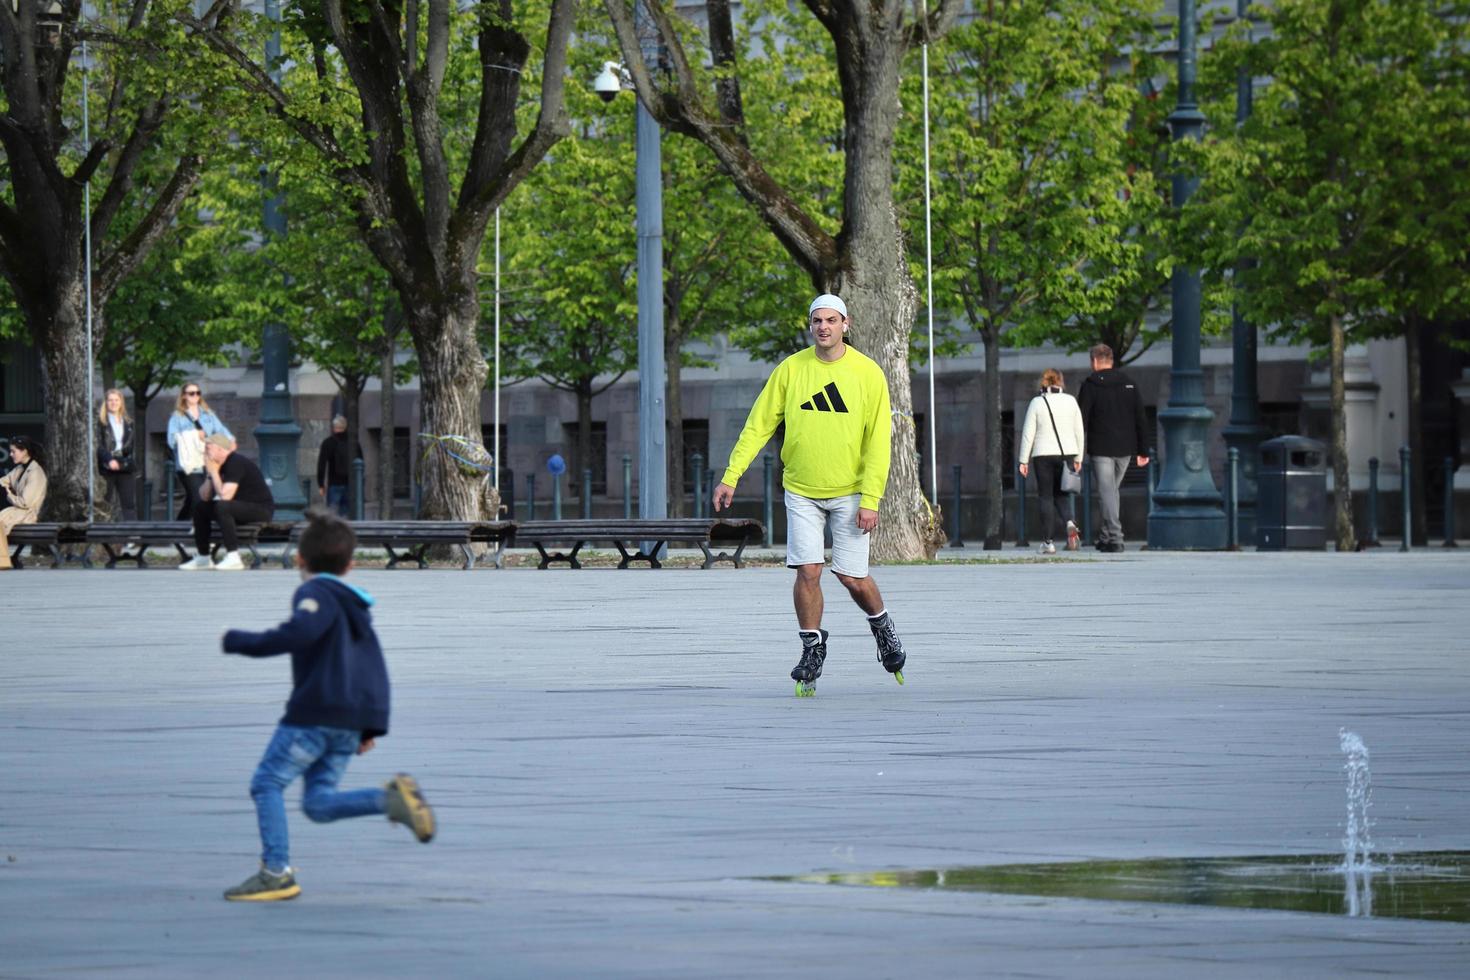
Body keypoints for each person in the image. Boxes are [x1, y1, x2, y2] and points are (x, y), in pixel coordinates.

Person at [220, 510, 435, 901]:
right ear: (350, 565)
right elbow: (373, 667)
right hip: (349, 719)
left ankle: (276, 872)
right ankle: (391, 800)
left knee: (267, 783)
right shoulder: (357, 608)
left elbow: (301, 631)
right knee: (317, 804)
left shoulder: (314, 593)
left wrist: (241, 641)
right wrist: (368, 726)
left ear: (299, 559)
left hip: (314, 715)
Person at [712, 294, 907, 696]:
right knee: (809, 570)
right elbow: (758, 425)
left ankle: (883, 627)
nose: (823, 327)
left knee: (852, 577)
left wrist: (872, 498)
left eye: (831, 321)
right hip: (801, 489)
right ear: (811, 325)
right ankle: (811, 648)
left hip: (851, 492)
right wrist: (731, 475)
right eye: (817, 321)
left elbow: (878, 443)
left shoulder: (867, 374)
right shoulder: (791, 369)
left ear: (845, 324)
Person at [1076, 344, 1150, 553]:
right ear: (1111, 360)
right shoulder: (1129, 384)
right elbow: (1141, 418)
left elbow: (1081, 421)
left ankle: (1116, 537)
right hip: (1126, 448)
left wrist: (1077, 452)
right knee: (1110, 492)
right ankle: (1107, 536)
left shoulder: (1090, 385)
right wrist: (1143, 450)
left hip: (1101, 447)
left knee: (1107, 492)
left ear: (1094, 361)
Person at [179, 434, 275, 571]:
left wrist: (214, 472)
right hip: (237, 507)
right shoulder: (218, 465)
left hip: (260, 509)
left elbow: (225, 496)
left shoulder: (235, 462)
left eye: (208, 448)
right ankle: (204, 557)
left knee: (222, 506)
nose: (205, 451)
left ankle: (233, 557)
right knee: (200, 507)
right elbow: (205, 497)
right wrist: (210, 474)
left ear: (220, 449)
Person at [1017, 369, 1085, 555]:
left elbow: (1028, 433)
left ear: (1043, 383)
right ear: (1061, 382)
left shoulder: (1037, 403)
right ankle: (1070, 522)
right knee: (1062, 495)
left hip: (1043, 455)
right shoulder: (1071, 401)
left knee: (1046, 496)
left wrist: (1023, 460)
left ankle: (1048, 542)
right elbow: (1079, 430)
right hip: (1067, 453)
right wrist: (1079, 457)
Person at [167, 382, 233, 520]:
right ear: (184, 396)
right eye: (191, 393)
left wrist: (230, 441)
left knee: (193, 500)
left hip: (208, 462)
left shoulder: (208, 414)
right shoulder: (177, 416)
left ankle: (177, 531)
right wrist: (194, 434)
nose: (195, 396)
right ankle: (200, 531)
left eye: (198, 393)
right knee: (199, 498)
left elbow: (221, 430)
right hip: (189, 465)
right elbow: (171, 440)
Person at [0, 436, 47, 571]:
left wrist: (9, 495)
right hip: (17, 512)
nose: (10, 454)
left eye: (14, 451)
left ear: (24, 451)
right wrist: (6, 487)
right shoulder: (20, 469)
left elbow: (25, 502)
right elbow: (4, 480)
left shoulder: (36, 472)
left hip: (28, 514)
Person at [96, 389, 137, 521]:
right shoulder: (100, 422)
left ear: (121, 402)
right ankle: (103, 537)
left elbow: (129, 446)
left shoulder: (128, 422)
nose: (113, 403)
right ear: (106, 402)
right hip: (106, 466)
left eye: (116, 400)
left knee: (129, 504)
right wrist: (109, 459)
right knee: (104, 503)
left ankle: (131, 538)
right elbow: (98, 444)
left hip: (124, 465)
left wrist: (121, 459)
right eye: (110, 400)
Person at [315, 415, 362, 518]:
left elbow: (321, 464)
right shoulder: (353, 443)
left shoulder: (328, 443)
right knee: (345, 515)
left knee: (332, 517)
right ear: (345, 427)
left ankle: (333, 534)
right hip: (349, 484)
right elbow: (360, 463)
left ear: (334, 427)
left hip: (334, 484)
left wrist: (321, 484)